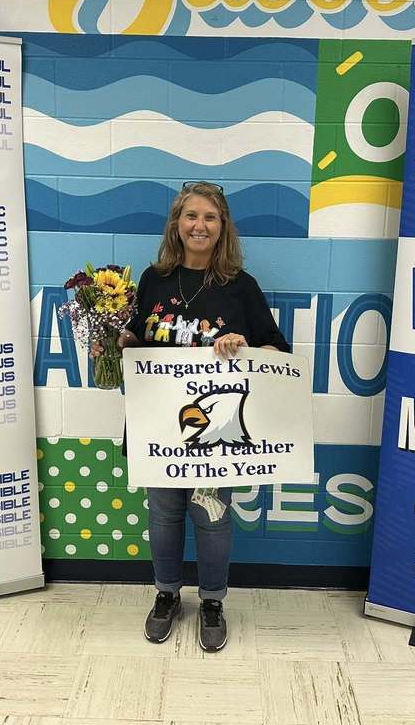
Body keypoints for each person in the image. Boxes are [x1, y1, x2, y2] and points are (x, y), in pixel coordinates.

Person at [92, 181, 289, 652]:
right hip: (158, 422)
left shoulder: (241, 287)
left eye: (210, 218)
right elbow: (139, 341)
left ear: (223, 229)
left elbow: (278, 351)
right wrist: (120, 343)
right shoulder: (153, 279)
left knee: (211, 515)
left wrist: (242, 345)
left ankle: (213, 601)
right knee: (163, 515)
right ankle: (166, 596)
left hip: (214, 433)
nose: (199, 225)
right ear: (176, 225)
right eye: (191, 216)